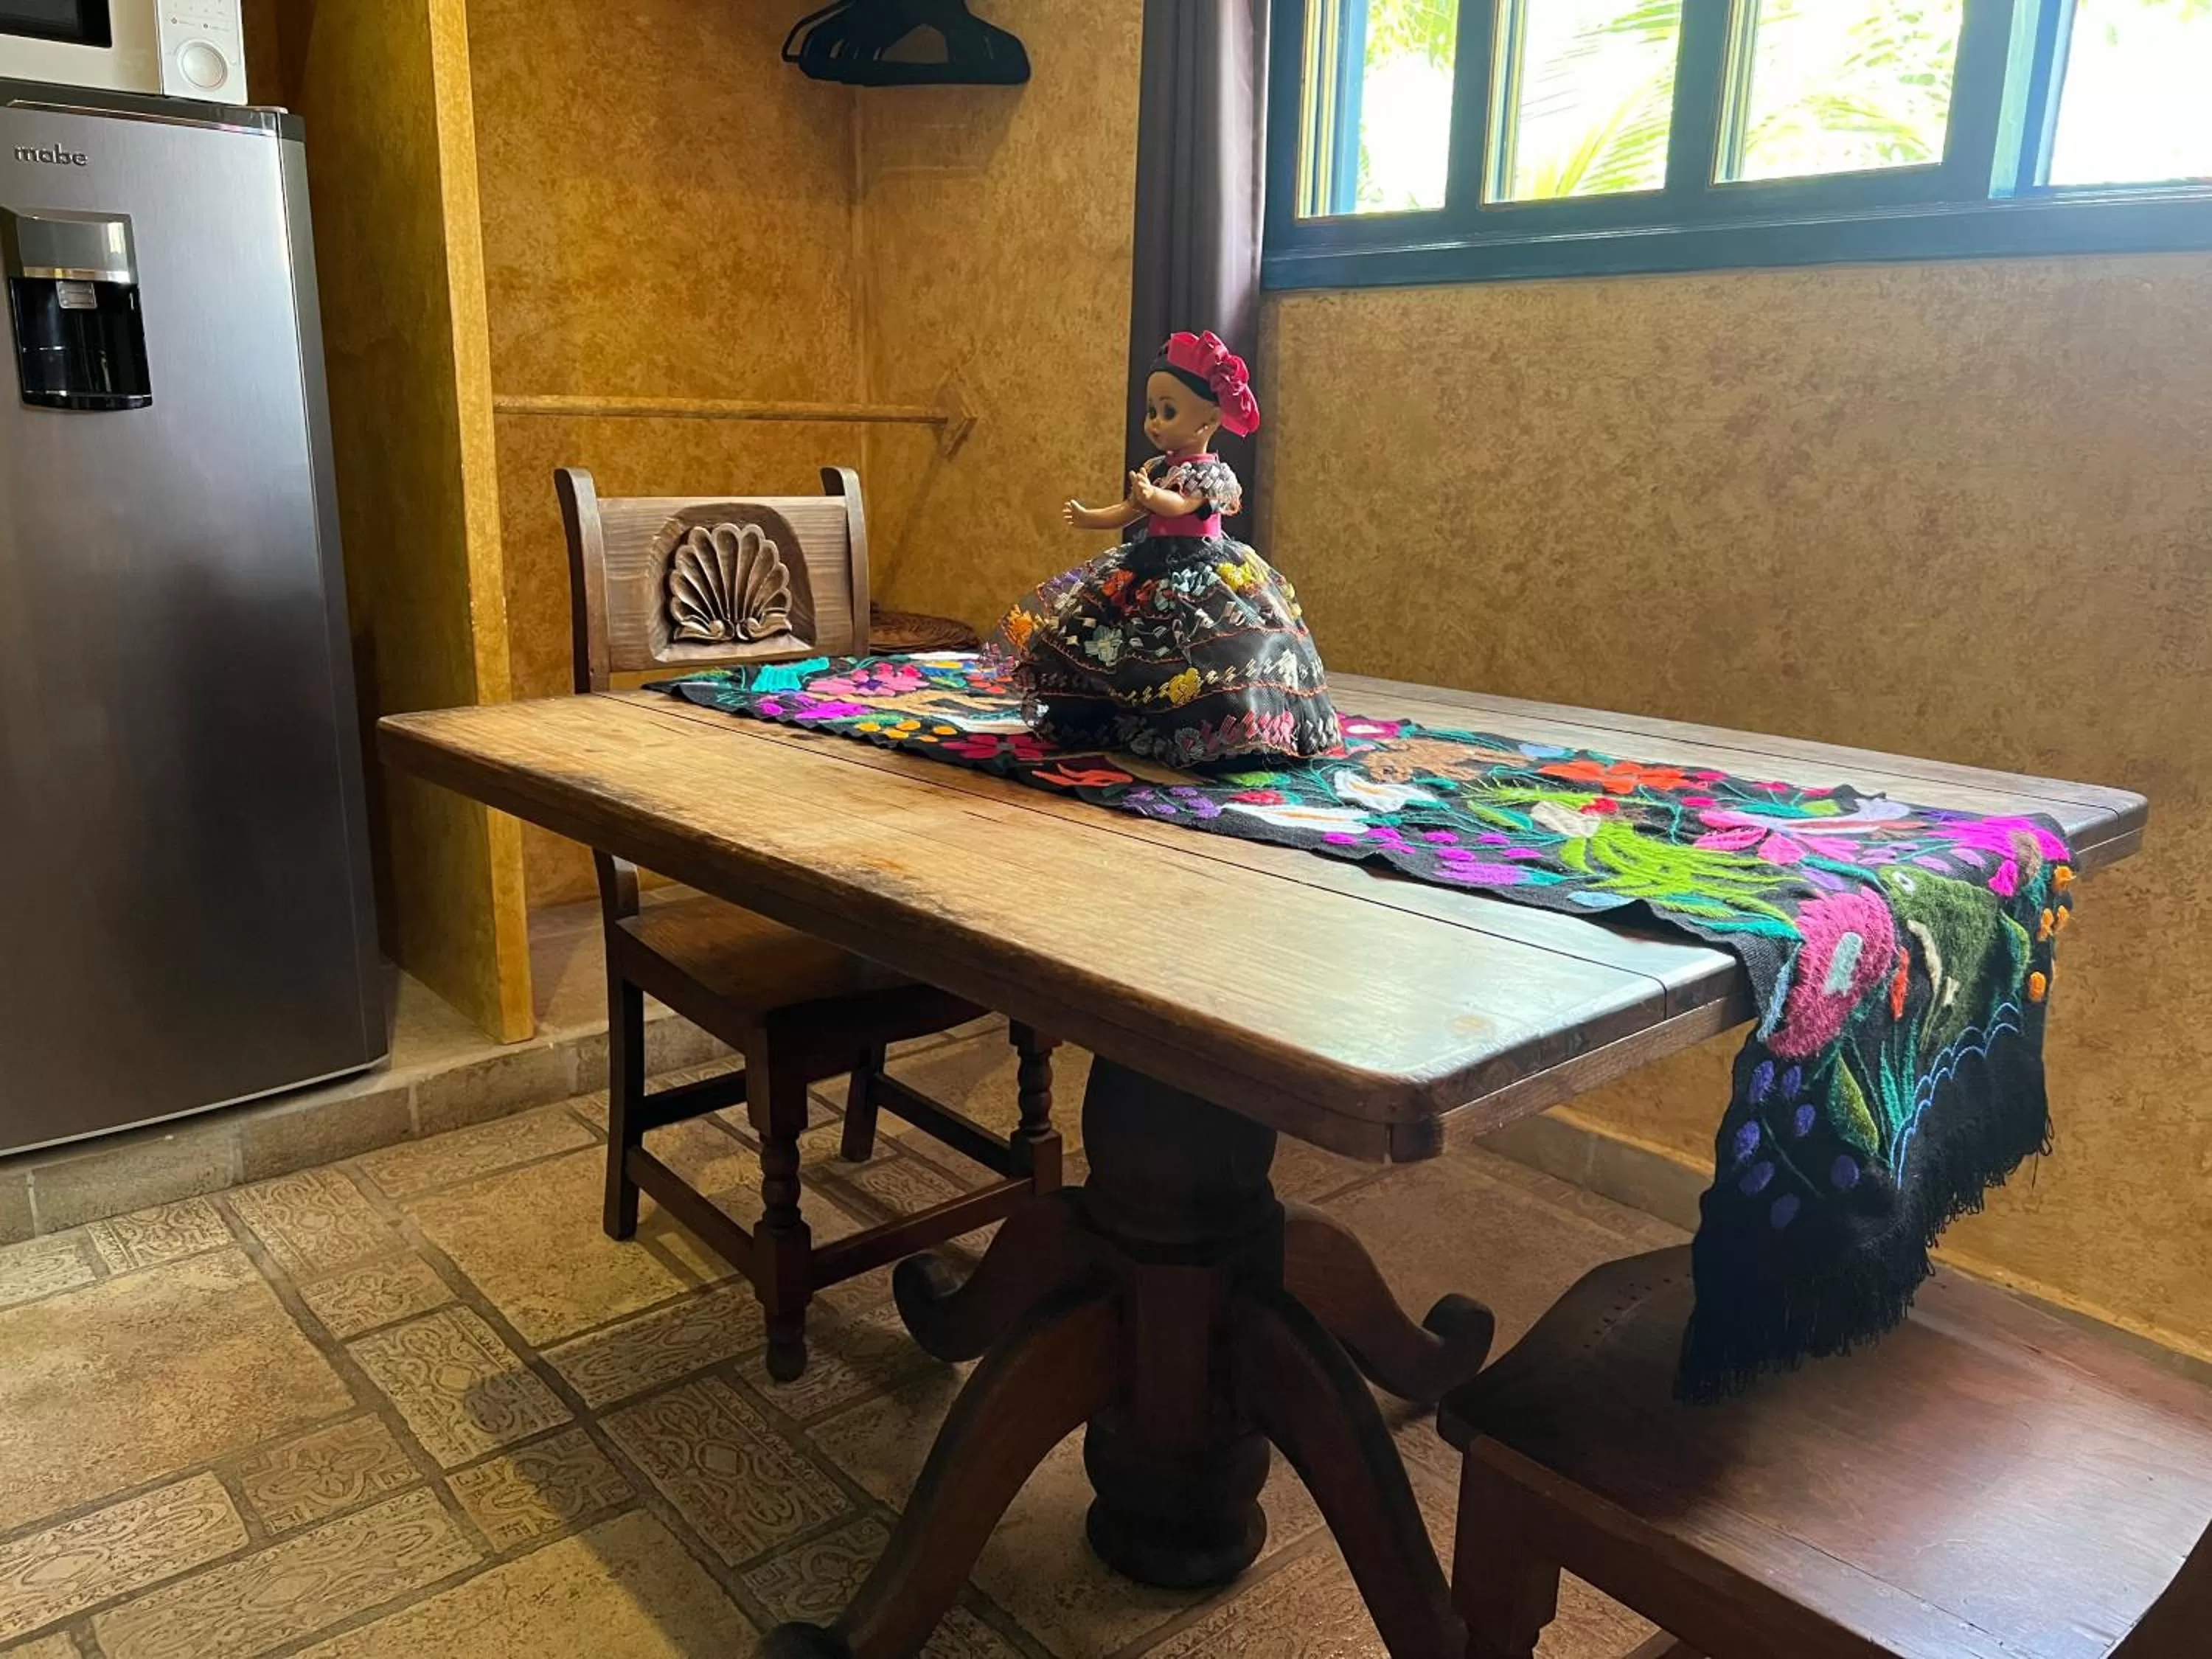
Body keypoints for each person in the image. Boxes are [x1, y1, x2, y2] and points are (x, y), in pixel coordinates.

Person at [990, 330, 1342, 768]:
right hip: (1148, 563)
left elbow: (1182, 505)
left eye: (1168, 411)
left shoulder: (1213, 476)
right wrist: (1089, 516)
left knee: (1215, 650)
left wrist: (1153, 497)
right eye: (1151, 411)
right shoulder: (1157, 467)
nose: (1155, 422)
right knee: (1107, 637)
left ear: (1208, 420)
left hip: (1204, 572)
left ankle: (1215, 729)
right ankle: (1117, 718)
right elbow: (1127, 511)